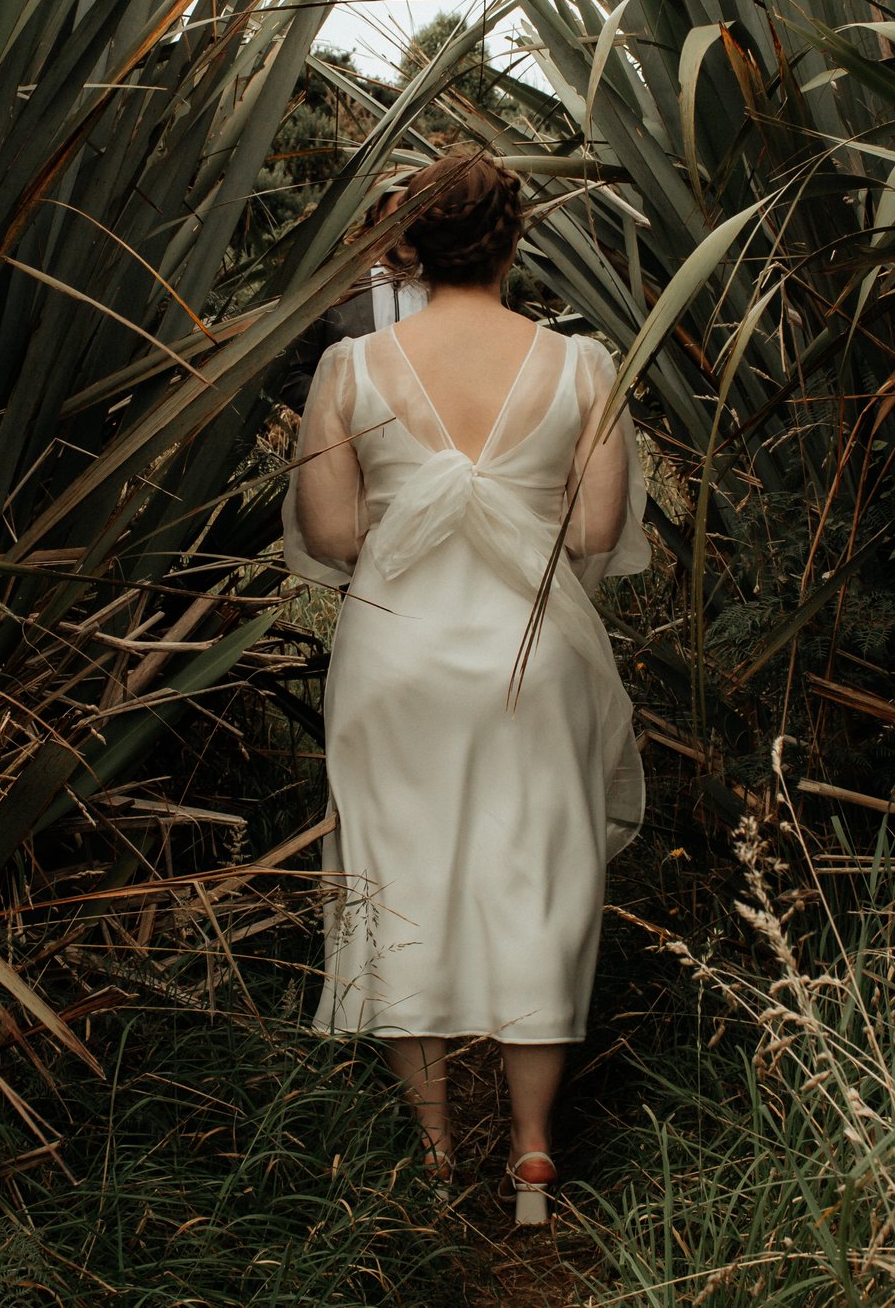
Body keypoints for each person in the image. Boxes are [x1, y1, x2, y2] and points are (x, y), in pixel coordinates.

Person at [280, 151, 649, 1226]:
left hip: (396, 657)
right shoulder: (585, 368)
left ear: (403, 243)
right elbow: (592, 532)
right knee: (537, 873)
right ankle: (533, 1156)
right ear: (514, 236)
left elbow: (332, 534)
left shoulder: (350, 369)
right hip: (534, 661)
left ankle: (435, 1150)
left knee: (399, 875)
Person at [272, 178, 430, 413]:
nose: (408, 229)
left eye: (418, 217)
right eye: (399, 216)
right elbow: (292, 376)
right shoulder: (333, 285)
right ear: (378, 217)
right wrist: (343, 422)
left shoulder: (444, 288)